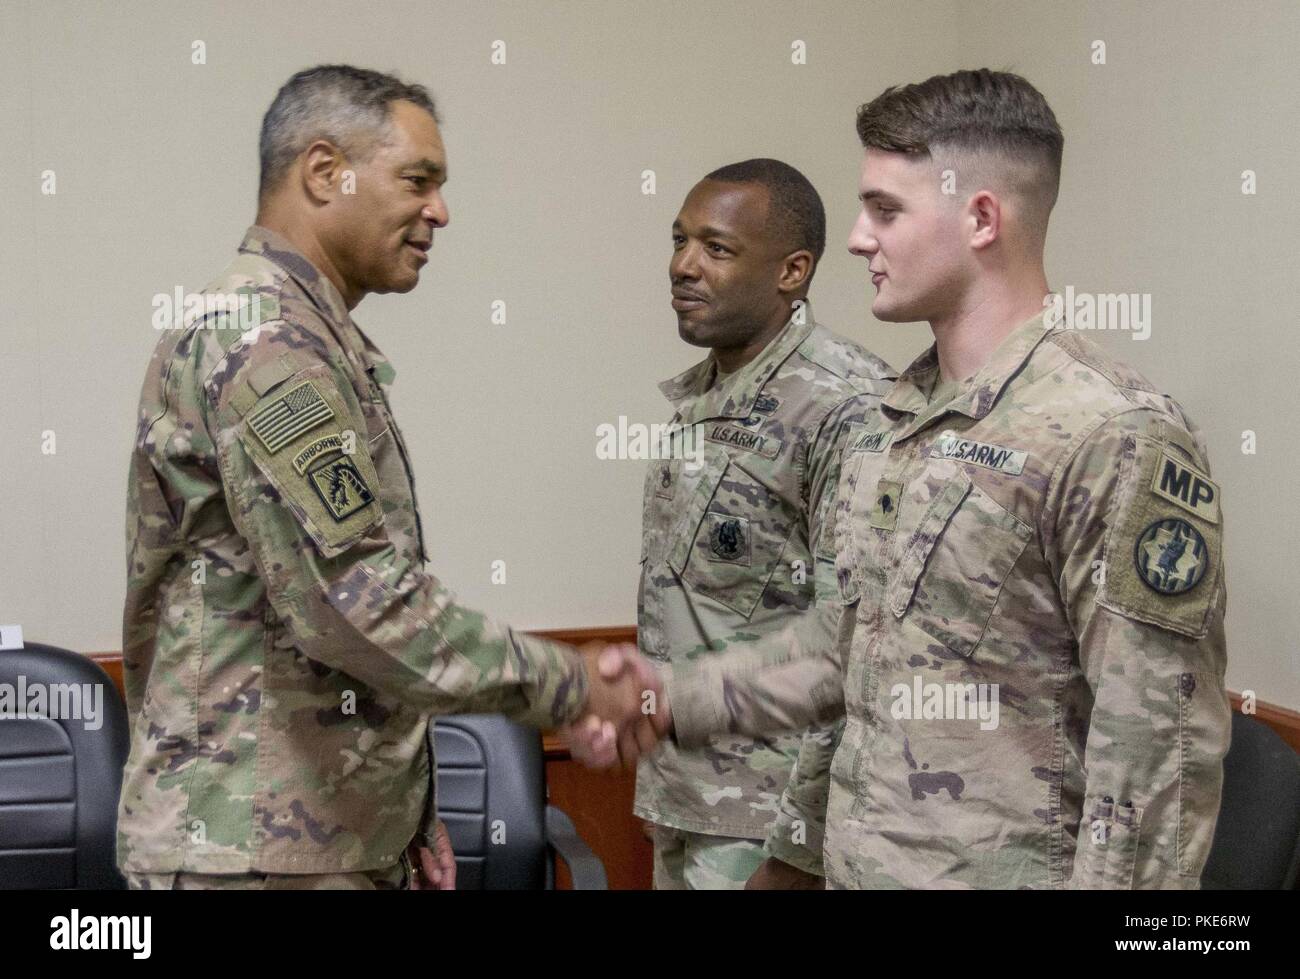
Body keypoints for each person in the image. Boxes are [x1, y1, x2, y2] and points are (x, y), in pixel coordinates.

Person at [578, 69, 1231, 890]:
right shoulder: (897, 423)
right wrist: (681, 701)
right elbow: (840, 651)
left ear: (981, 218)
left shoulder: (1115, 434)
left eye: (886, 210)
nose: (857, 239)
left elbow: (1155, 762)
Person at [119, 64, 660, 890]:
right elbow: (356, 601)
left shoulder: (301, 333)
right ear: (323, 170)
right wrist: (576, 683)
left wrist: (402, 809)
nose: (440, 211)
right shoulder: (268, 343)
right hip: (253, 850)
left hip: (308, 831)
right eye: (419, 180)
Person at [619, 159, 894, 889]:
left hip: (770, 824)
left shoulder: (847, 406)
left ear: (791, 271)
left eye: (716, 248)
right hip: (685, 802)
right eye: (679, 241)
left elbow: (854, 640)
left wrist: (801, 846)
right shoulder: (703, 399)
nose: (683, 265)